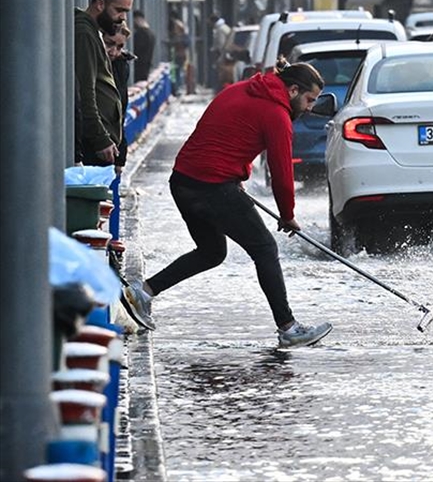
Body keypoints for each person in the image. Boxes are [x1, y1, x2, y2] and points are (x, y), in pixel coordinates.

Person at [119, 59, 333, 349]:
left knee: (212, 252)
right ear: (293, 90)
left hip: (183, 181)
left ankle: (142, 292)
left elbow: (222, 134)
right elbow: (282, 172)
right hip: (212, 185)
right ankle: (289, 328)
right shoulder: (277, 113)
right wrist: (287, 215)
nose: (310, 107)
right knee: (265, 248)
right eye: (309, 99)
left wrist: (235, 173)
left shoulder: (244, 89)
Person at [75, 0, 132, 167]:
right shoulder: (85, 33)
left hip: (100, 144)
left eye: (126, 12)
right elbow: (85, 92)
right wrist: (101, 138)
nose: (123, 18)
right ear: (100, 4)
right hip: (94, 146)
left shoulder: (92, 32)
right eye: (119, 10)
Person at [103, 23, 136, 173]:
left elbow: (120, 111)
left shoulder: (120, 66)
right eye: (109, 44)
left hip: (110, 146)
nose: (114, 52)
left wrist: (121, 154)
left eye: (120, 47)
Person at [131, 10, 155, 82]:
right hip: (145, 69)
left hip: (138, 70)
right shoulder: (151, 34)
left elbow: (135, 51)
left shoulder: (140, 34)